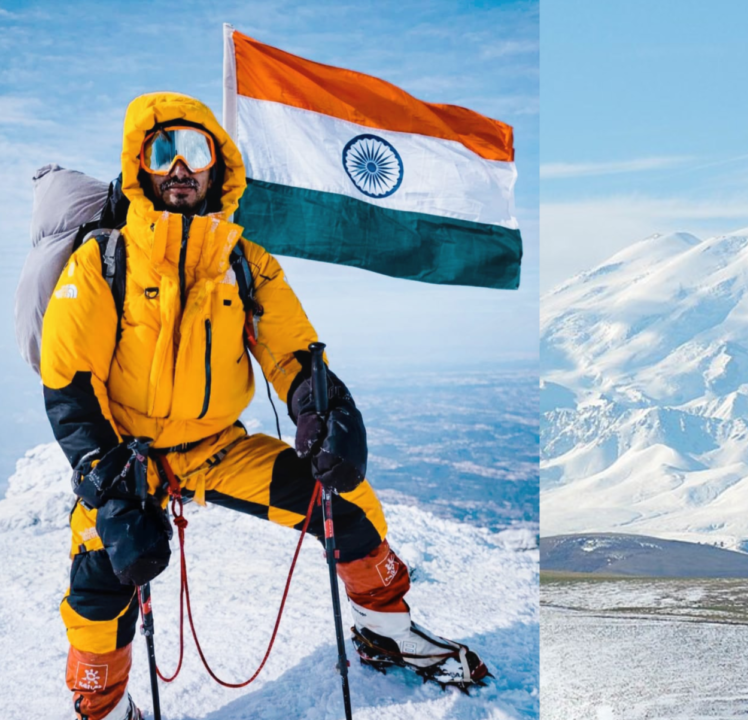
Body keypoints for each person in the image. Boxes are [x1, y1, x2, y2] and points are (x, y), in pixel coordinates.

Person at [42, 92, 468, 720]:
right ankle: (102, 706)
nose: (180, 166)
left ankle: (385, 629)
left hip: (219, 447)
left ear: (218, 165)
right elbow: (69, 388)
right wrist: (109, 491)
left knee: (346, 503)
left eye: (195, 149)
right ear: (141, 166)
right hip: (128, 458)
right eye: (163, 151)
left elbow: (294, 353)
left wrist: (328, 414)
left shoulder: (244, 263)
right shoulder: (104, 263)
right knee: (100, 580)